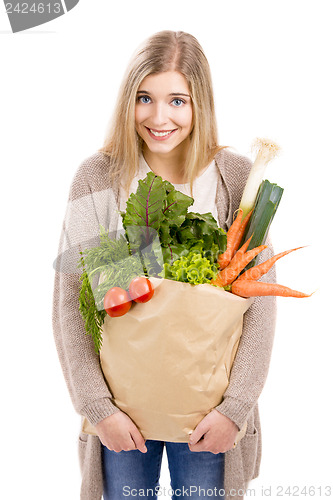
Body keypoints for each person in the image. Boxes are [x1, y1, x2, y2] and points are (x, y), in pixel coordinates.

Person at [53, 30, 276, 500]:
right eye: (144, 98)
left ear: (201, 105)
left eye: (178, 100)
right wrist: (98, 408)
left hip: (209, 415)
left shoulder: (236, 178)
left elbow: (259, 306)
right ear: (127, 101)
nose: (159, 117)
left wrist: (234, 409)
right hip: (121, 413)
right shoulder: (97, 176)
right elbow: (70, 306)